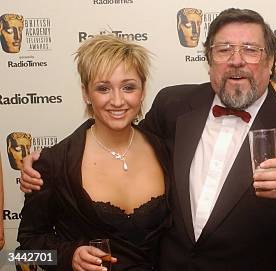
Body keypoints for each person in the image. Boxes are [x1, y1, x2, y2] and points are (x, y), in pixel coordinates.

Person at [21, 8, 276, 271]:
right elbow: (22, 252)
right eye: (224, 49)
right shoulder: (173, 107)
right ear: (209, 62)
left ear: (270, 63)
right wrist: (41, 170)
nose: (236, 59)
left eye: (251, 50)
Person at [17, 34, 171, 271]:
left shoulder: (165, 149)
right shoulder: (54, 163)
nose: (117, 100)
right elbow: (27, 247)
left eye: (128, 87)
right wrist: (70, 256)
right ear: (86, 93)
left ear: (142, 91)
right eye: (103, 88)